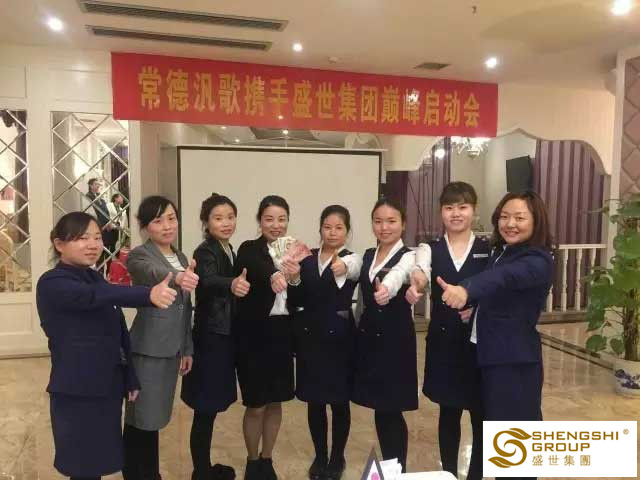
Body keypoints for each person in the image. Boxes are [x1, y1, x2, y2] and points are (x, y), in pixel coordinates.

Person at [36, 211, 177, 480]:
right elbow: (96, 296)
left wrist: (130, 376)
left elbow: (118, 331)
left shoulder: (94, 277)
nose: (93, 245)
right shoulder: (53, 282)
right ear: (59, 244)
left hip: (106, 387)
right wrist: (147, 294)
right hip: (77, 391)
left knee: (97, 462)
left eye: (97, 237)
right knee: (83, 467)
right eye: (82, 238)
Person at [439, 190, 554, 480]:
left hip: (513, 364)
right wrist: (476, 310)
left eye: (519, 218)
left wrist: (466, 290)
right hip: (487, 358)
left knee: (514, 449)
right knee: (488, 434)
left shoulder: (538, 259)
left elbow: (502, 278)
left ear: (536, 221)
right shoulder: (503, 252)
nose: (510, 224)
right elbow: (502, 293)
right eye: (504, 217)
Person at [408, 182, 488, 480]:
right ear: (441, 212)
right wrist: (418, 281)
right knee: (449, 412)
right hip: (444, 343)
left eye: (463, 207)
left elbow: (497, 289)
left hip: (480, 344)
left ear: (474, 210)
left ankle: (476, 475)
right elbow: (421, 269)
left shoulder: (487, 249)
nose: (456, 213)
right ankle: (449, 474)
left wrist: (477, 308)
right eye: (449, 207)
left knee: (481, 414)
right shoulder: (430, 248)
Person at [123, 196, 199, 480]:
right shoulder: (139, 255)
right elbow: (152, 272)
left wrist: (187, 348)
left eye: (171, 218)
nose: (167, 226)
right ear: (145, 227)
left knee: (154, 416)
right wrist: (177, 277)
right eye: (158, 221)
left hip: (172, 349)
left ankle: (148, 472)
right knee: (140, 416)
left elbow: (185, 308)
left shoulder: (181, 256)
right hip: (148, 349)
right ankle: (137, 473)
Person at [286, 205, 362, 480]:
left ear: (347, 231)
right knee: (314, 401)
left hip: (340, 340)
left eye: (339, 227)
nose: (332, 232)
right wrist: (294, 279)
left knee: (339, 402)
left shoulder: (352, 259)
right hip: (310, 338)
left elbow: (355, 269)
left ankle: (337, 456)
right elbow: (296, 301)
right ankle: (320, 455)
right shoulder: (307, 259)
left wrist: (344, 266)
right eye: (327, 227)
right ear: (320, 229)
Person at [181, 194, 250, 480]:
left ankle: (204, 468)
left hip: (223, 336)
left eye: (230, 217)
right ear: (206, 222)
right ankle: (201, 472)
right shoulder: (205, 250)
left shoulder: (228, 248)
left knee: (209, 408)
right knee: (204, 408)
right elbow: (207, 279)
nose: (226, 223)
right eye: (218, 218)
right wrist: (232, 283)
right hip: (210, 338)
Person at [352, 198, 417, 473]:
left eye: (391, 221)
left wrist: (394, 290)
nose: (384, 227)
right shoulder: (369, 255)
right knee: (380, 407)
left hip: (395, 340)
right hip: (370, 339)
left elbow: (405, 277)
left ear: (403, 223)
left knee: (392, 408)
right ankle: (391, 467)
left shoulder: (410, 256)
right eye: (378, 221)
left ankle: (397, 469)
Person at [234, 195, 294, 480]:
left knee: (275, 402)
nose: (276, 225)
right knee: (256, 405)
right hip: (254, 336)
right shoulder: (249, 249)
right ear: (260, 221)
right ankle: (252, 460)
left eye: (282, 219)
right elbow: (256, 266)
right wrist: (274, 273)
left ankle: (267, 458)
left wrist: (296, 277)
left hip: (282, 333)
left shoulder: (293, 252)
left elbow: (300, 293)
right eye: (269, 219)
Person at [86, 178, 117, 263]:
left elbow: (106, 212)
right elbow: (92, 213)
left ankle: (108, 269)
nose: (98, 186)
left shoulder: (100, 197)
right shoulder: (88, 197)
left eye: (98, 184)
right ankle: (99, 268)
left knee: (109, 249)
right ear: (90, 185)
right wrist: (102, 225)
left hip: (107, 227)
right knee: (100, 251)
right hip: (99, 226)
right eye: (96, 184)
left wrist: (109, 223)